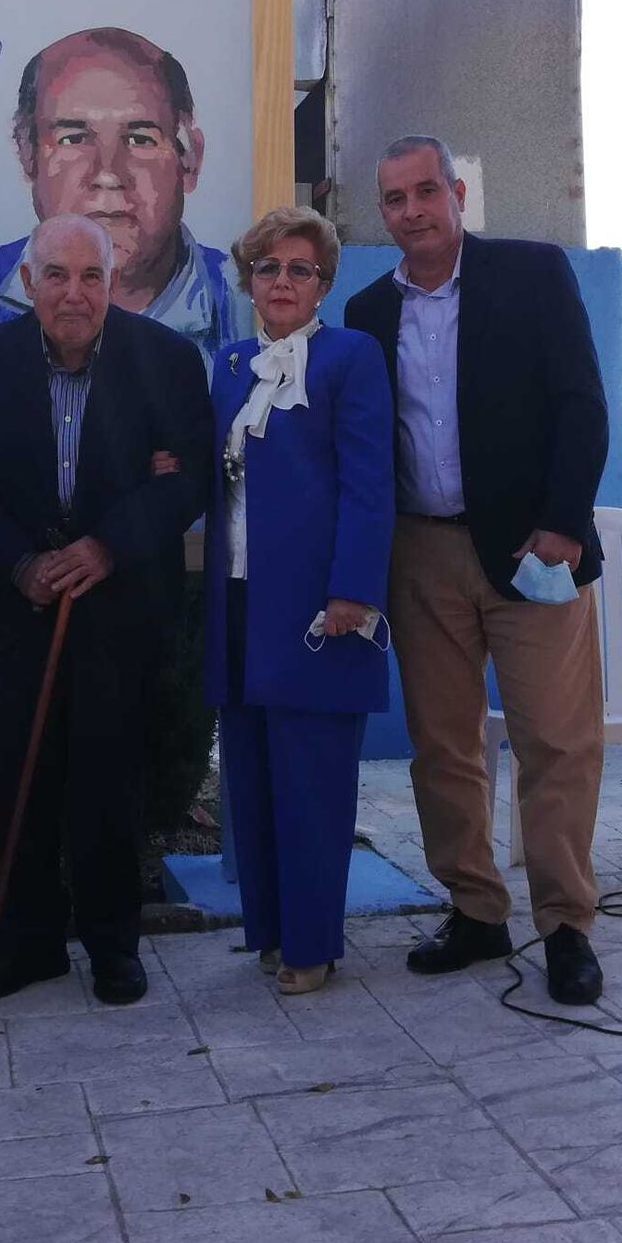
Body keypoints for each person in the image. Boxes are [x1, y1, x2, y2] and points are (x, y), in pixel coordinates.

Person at [344, 134, 610, 1006]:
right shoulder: (366, 315)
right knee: (444, 746)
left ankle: (566, 925)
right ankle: (476, 908)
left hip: (533, 550)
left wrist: (563, 526)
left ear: (458, 192)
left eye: (427, 191)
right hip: (420, 552)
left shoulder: (532, 274)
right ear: (380, 214)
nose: (412, 211)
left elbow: (580, 401)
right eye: (394, 200)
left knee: (557, 743)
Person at [0, 214, 211, 1006]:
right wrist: (22, 563)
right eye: (55, 276)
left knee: (110, 782)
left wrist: (105, 547)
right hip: (17, 608)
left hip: (119, 611)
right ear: (28, 284)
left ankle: (113, 945)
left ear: (111, 282)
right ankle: (26, 945)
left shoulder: (164, 360)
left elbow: (184, 479)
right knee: (15, 780)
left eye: (90, 277)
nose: (74, 293)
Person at [0, 27, 248, 528]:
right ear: (26, 151)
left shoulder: (248, 303)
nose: (107, 172)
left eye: (139, 137)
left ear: (189, 157)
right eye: (72, 137)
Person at [205, 208, 393, 995]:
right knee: (249, 777)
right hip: (241, 598)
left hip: (319, 607)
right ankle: (272, 932)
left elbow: (369, 480)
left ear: (323, 283)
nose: (283, 281)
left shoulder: (351, 356)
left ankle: (313, 945)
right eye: (269, 268)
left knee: (313, 782)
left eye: (300, 269)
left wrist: (353, 588)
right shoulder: (230, 361)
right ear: (250, 279)